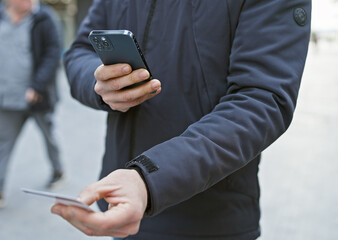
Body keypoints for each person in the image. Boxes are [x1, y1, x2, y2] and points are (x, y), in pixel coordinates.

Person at [51, 0, 312, 239]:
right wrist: (100, 83)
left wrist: (149, 178)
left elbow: (261, 101)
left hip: (208, 222)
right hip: (122, 200)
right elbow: (80, 52)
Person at [0, 0, 64, 208]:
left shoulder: (44, 18)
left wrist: (37, 86)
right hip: (6, 96)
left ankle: (58, 170)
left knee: (48, 136)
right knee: (2, 141)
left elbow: (52, 54)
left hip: (35, 96)